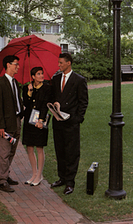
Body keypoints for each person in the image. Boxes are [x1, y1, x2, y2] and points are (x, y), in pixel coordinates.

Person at [50, 53, 88, 195]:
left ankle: (70, 182)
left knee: (71, 152)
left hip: (71, 122)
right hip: (58, 121)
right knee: (60, 150)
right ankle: (62, 178)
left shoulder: (79, 80)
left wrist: (78, 119)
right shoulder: (55, 79)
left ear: (68, 63)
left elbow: (83, 102)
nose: (58, 65)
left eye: (61, 63)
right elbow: (52, 96)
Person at [0, 55, 23, 193]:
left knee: (11, 151)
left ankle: (6, 175)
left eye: (18, 64)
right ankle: (1, 181)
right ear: (8, 65)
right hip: (5, 124)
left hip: (16, 121)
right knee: (4, 152)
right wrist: (0, 126)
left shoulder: (15, 83)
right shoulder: (0, 84)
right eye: (15, 64)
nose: (18, 66)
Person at [22, 67, 51, 187]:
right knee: (29, 147)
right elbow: (26, 104)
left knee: (39, 147)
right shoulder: (26, 88)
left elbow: (45, 105)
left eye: (42, 73)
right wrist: (29, 93)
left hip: (40, 121)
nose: (41, 75)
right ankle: (34, 173)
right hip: (29, 120)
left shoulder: (47, 88)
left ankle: (39, 174)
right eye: (38, 74)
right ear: (33, 77)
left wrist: (41, 120)